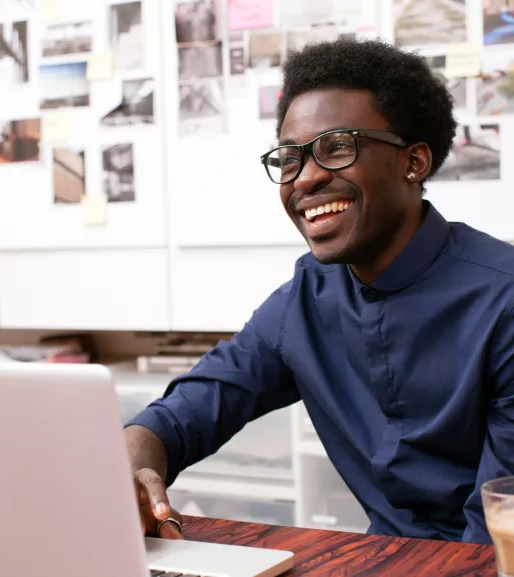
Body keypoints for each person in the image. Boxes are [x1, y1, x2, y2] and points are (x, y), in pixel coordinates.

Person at [125, 38, 514, 544]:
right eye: (290, 159)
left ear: (413, 162)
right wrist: (135, 463)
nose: (305, 179)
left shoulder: (503, 299)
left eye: (337, 147)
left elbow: (498, 525)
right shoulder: (304, 299)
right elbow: (187, 412)